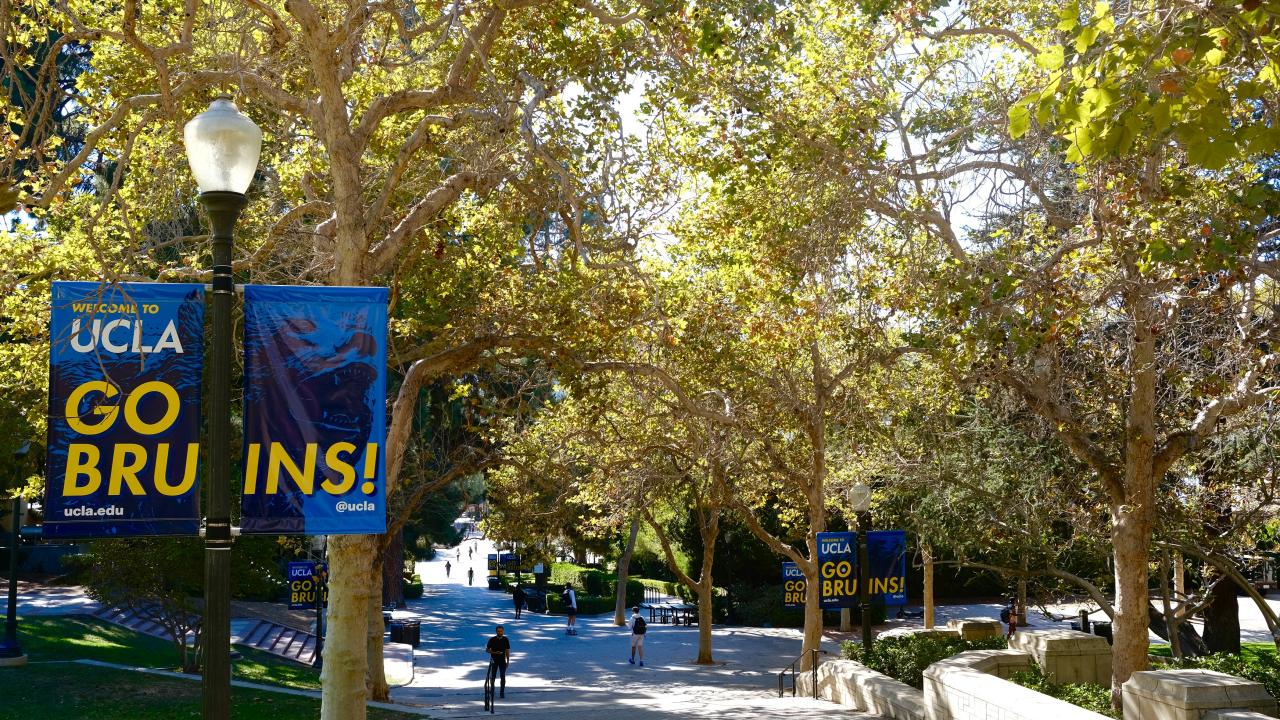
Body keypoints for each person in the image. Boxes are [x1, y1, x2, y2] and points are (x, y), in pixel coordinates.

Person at [485, 625, 511, 699]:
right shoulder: (492, 639)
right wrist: (494, 652)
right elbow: (487, 650)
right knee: (493, 677)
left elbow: (507, 650)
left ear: (503, 631)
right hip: (494, 661)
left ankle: (502, 692)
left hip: (502, 661)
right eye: (498, 631)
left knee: (502, 677)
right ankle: (492, 690)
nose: (500, 632)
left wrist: (508, 660)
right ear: (496, 631)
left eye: (501, 631)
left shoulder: (506, 639)